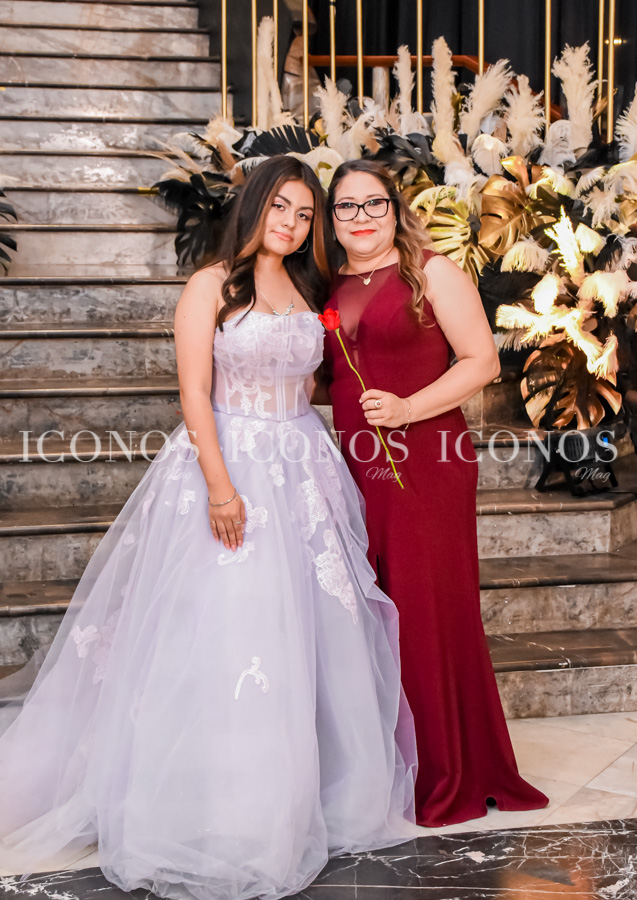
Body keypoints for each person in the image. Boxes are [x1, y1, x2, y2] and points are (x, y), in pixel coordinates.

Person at [0, 156, 418, 899]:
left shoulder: (310, 287)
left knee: (308, 631)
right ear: (253, 206)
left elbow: (317, 378)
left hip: (303, 465)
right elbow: (194, 390)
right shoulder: (211, 285)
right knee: (232, 626)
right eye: (280, 208)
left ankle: (296, 797)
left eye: (304, 215)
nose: (291, 224)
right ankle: (214, 804)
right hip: (228, 462)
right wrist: (221, 488)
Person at [321, 159, 549, 828]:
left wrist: (407, 410)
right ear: (331, 220)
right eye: (346, 206)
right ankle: (386, 766)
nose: (361, 217)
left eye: (374, 203)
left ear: (395, 209)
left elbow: (481, 361)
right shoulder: (325, 287)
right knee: (373, 614)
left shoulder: (432, 272)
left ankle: (445, 770)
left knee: (424, 612)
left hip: (424, 460)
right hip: (356, 467)